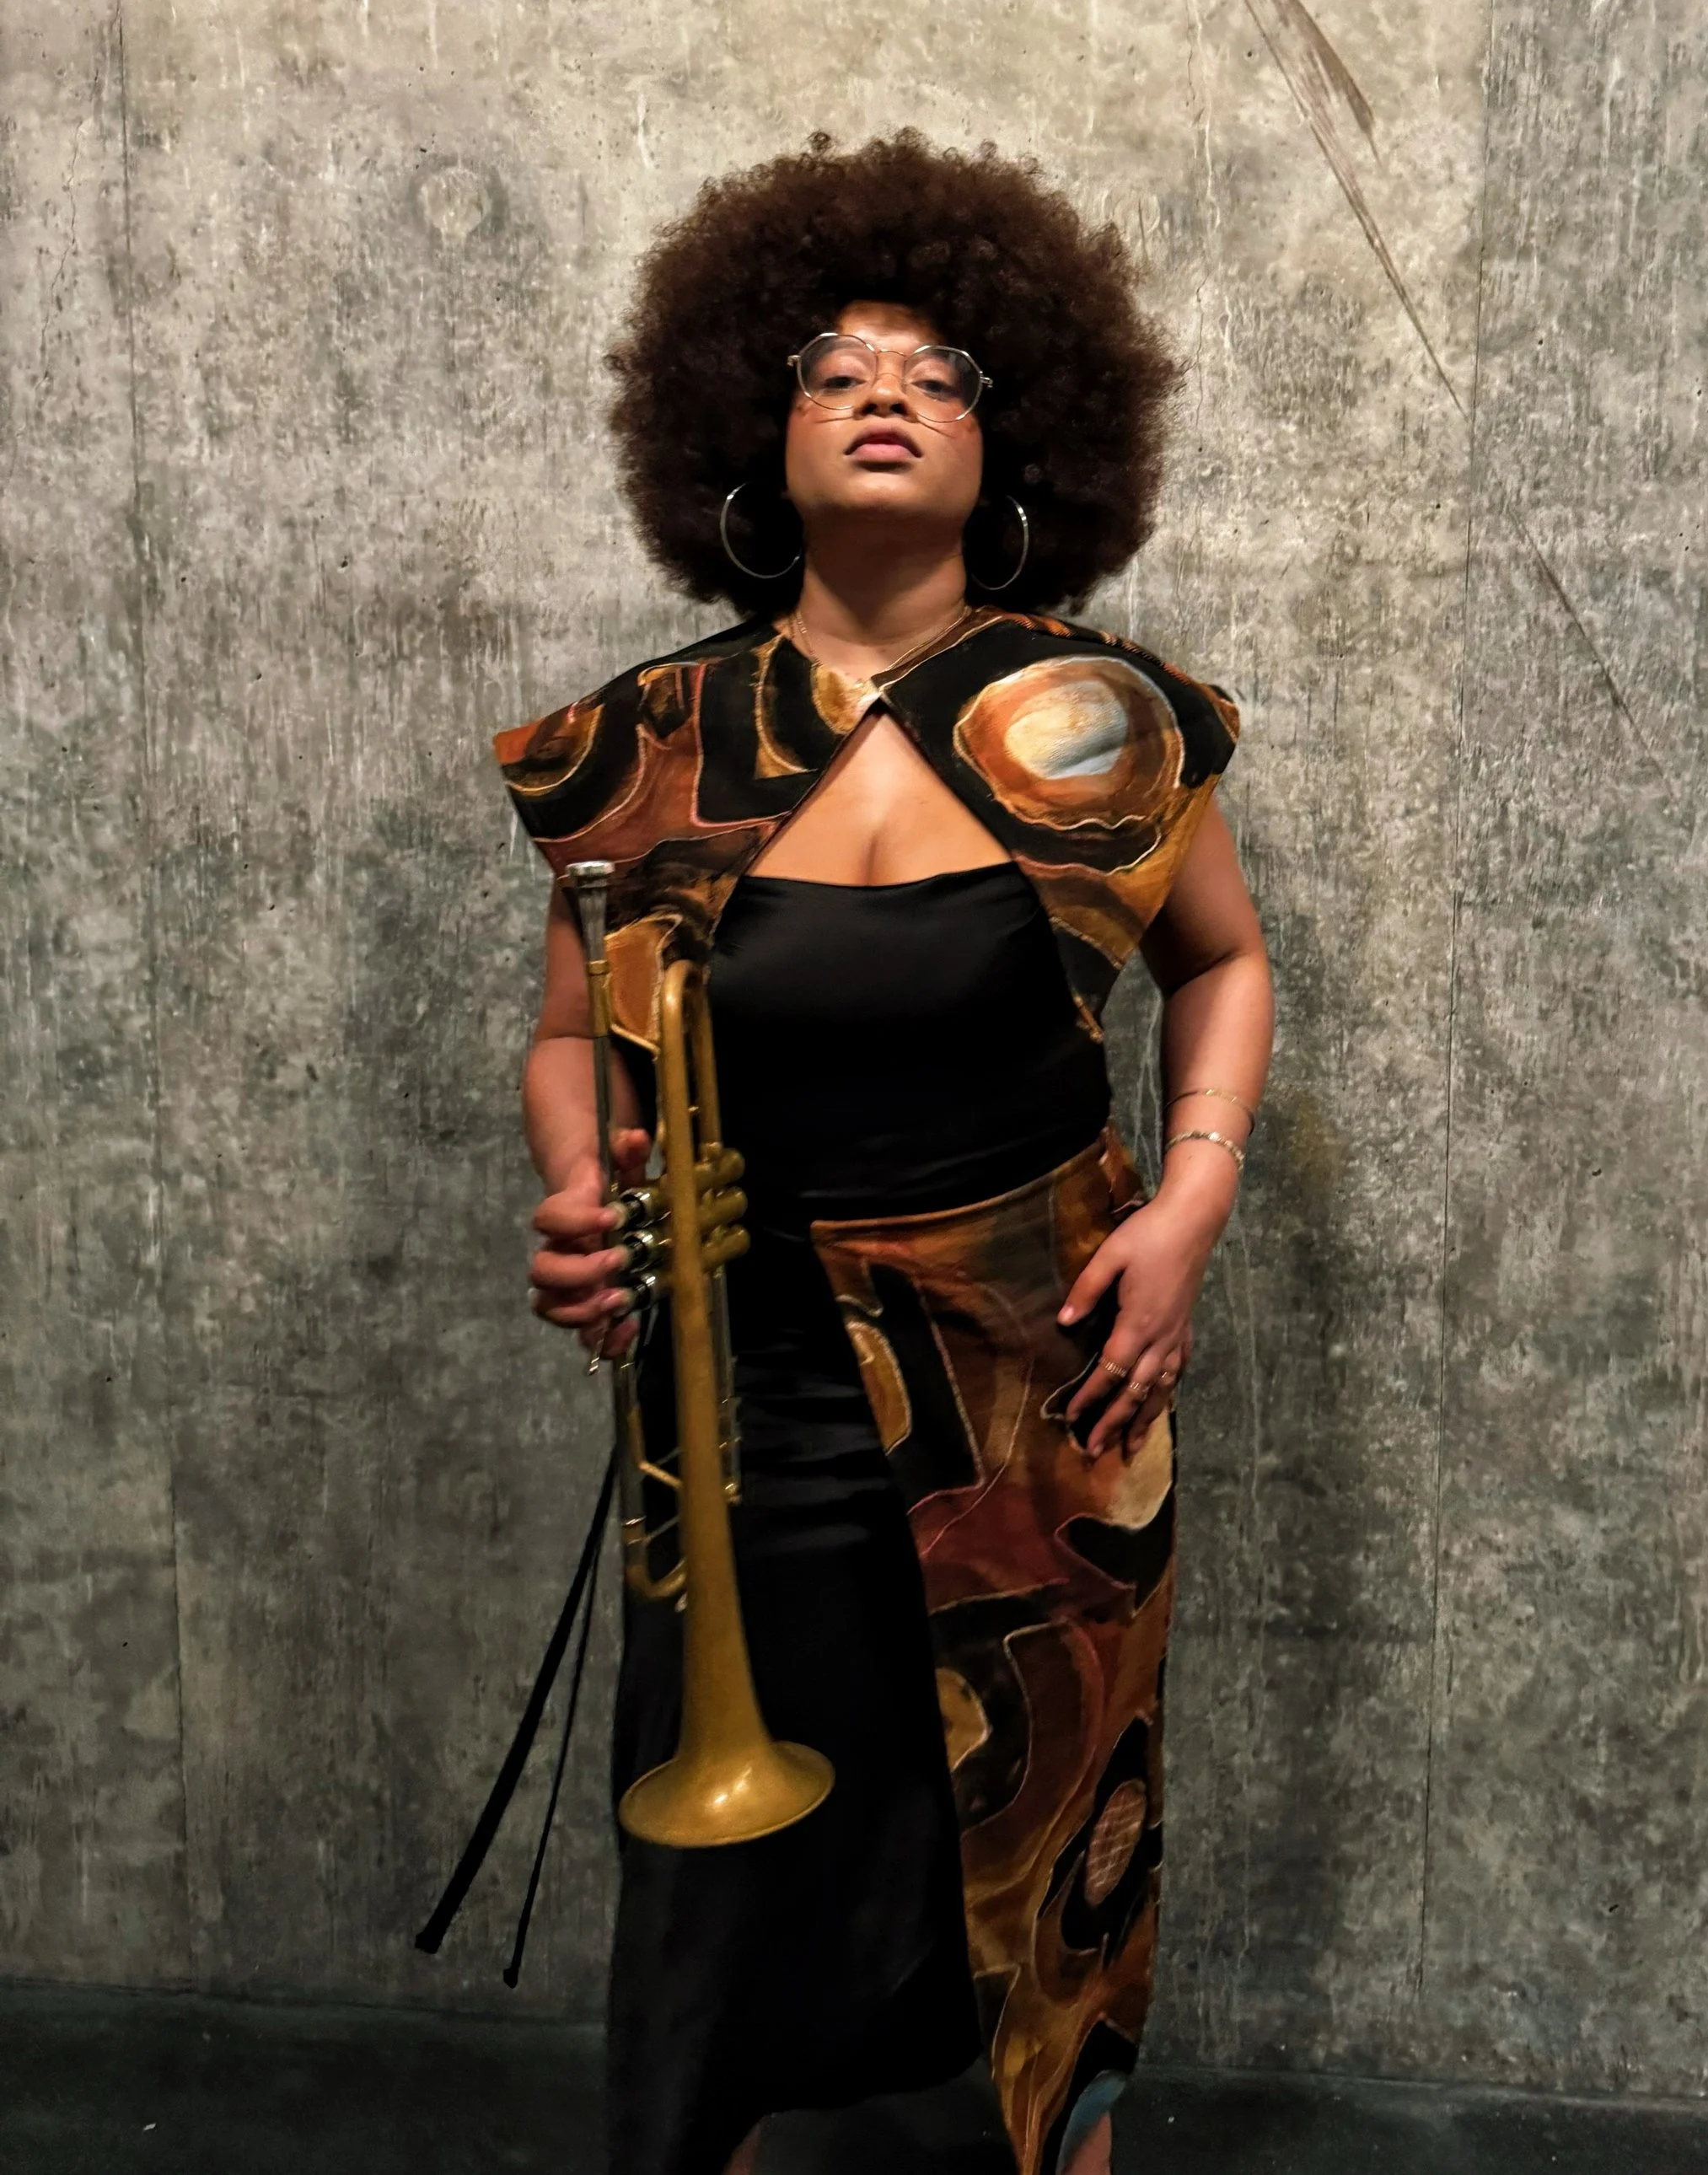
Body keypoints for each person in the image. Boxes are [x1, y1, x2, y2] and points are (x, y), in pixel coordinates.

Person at [498, 132, 1272, 2175]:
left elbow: (1225, 961)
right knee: (732, 1885)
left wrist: (1186, 1203)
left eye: (939, 370)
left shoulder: (1100, 723)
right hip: (739, 1399)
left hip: (1050, 1386)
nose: (882, 386)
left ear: (1015, 448)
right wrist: (578, 1192)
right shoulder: (644, 739)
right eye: (835, 356)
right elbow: (571, 1036)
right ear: (747, 421)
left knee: (1042, 1850)